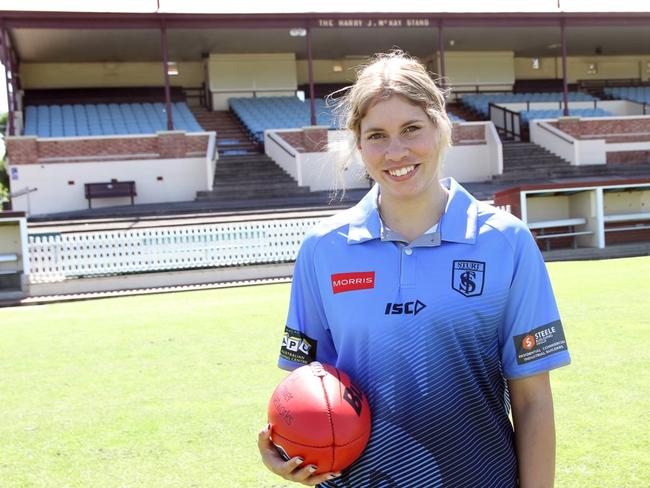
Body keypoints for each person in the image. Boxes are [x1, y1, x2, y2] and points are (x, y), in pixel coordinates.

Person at [258, 51, 571, 487]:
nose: (396, 151)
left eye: (411, 129)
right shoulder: (323, 250)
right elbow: (303, 391)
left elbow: (533, 399)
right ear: (358, 144)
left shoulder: (506, 241)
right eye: (377, 135)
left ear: (441, 125)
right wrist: (287, 451)